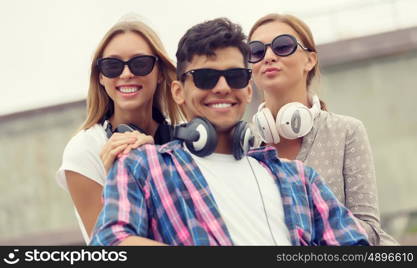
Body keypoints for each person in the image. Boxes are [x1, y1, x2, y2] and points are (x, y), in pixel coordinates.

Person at [89, 17, 368, 246]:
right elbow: (111, 242)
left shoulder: (300, 179)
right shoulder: (142, 167)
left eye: (234, 76)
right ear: (178, 92)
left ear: (248, 89)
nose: (222, 87)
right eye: (206, 78)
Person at [248, 13, 397, 245]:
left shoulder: (347, 131)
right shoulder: (243, 144)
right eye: (256, 51)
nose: (268, 56)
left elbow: (370, 232)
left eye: (283, 46)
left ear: (310, 60)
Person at [56, 18, 183, 244]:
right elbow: (111, 246)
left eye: (140, 63)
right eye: (113, 66)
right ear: (101, 77)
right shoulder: (83, 150)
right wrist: (127, 169)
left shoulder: (182, 141)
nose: (126, 74)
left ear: (160, 72)